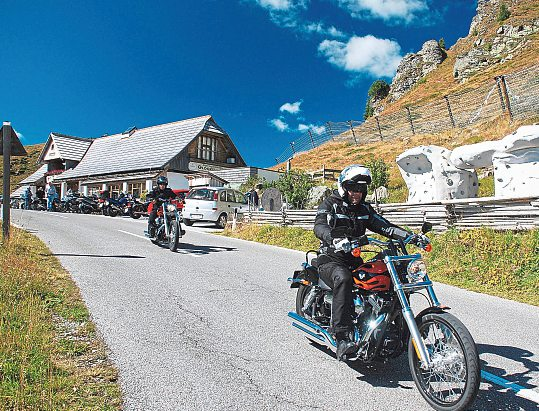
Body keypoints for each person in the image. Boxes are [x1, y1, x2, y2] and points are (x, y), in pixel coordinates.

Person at [314, 164, 411, 361]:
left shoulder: (364, 209)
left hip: (354, 258)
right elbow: (319, 225)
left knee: (388, 275)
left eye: (360, 190)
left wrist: (409, 236)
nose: (357, 193)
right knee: (344, 278)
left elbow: (385, 226)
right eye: (353, 188)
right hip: (330, 258)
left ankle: (395, 329)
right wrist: (333, 238)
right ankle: (342, 336)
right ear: (343, 187)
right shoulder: (330, 204)